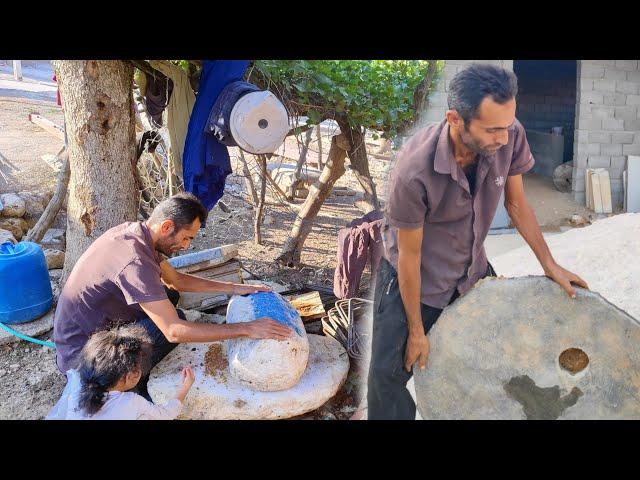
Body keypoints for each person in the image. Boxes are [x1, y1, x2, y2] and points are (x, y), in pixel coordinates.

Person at [367, 63, 589, 420]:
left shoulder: (509, 134)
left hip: (472, 270)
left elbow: (516, 204)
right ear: (455, 119)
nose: (504, 138)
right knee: (388, 379)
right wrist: (416, 330)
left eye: (508, 125)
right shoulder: (413, 170)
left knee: (491, 358)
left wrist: (550, 265)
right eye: (492, 129)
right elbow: (409, 257)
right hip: (416, 280)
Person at [53, 192, 291, 398]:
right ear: (167, 226)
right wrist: (247, 328)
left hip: (93, 333)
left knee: (170, 298)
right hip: (84, 360)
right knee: (171, 326)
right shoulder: (135, 261)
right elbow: (173, 331)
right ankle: (129, 391)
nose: (187, 246)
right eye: (186, 237)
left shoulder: (138, 234)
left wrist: (236, 288)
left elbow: (176, 281)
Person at [46, 324, 194, 420]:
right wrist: (185, 387)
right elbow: (166, 414)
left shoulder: (77, 388)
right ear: (130, 376)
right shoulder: (131, 402)